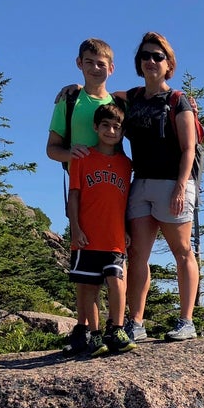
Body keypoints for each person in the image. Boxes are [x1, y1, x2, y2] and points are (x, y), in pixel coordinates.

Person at [120, 32, 199, 342]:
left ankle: (186, 321)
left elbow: (188, 149)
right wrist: (72, 91)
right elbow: (100, 95)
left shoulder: (178, 102)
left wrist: (181, 186)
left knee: (182, 252)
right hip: (140, 183)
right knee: (137, 254)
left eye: (157, 56)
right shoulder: (132, 98)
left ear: (169, 64)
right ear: (139, 63)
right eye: (145, 56)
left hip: (172, 184)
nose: (151, 61)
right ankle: (136, 323)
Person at [46, 38, 117, 354]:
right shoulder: (69, 102)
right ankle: (84, 330)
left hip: (109, 190)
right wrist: (67, 154)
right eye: (89, 62)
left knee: (109, 264)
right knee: (84, 262)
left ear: (110, 68)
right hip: (80, 189)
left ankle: (101, 331)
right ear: (79, 64)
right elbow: (51, 149)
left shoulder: (118, 103)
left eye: (101, 63)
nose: (95, 68)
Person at [64, 103, 137, 356]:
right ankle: (94, 335)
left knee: (117, 283)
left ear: (122, 132)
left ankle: (116, 328)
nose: (111, 130)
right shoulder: (82, 159)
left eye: (117, 126)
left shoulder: (126, 165)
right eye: (105, 125)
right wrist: (75, 228)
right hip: (87, 238)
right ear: (95, 127)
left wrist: (127, 229)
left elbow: (126, 202)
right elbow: (73, 196)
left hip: (115, 237)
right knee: (89, 289)